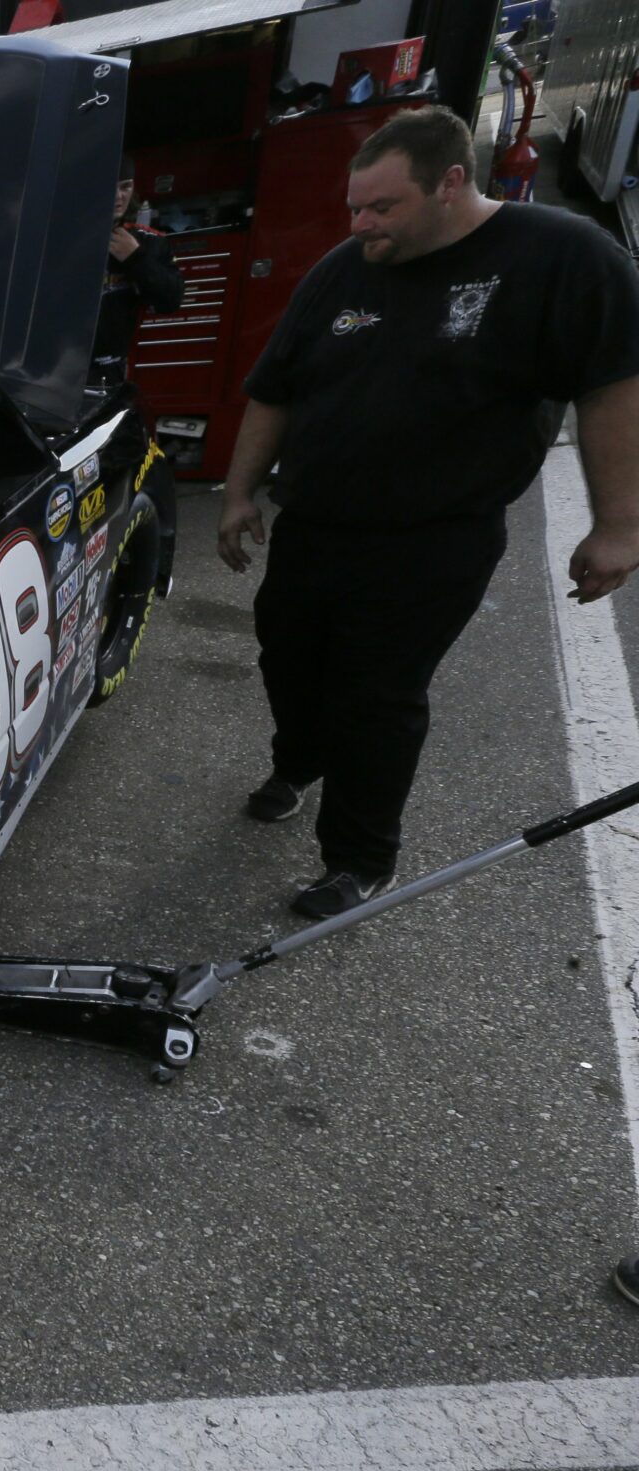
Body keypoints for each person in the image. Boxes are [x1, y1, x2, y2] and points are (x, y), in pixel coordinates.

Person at [215, 106, 639, 919]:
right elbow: (274, 390)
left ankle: (359, 858)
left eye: (382, 207)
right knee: (288, 657)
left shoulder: (560, 256)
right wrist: (239, 495)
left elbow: (613, 383)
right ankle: (298, 762)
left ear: (450, 184)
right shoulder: (344, 270)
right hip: (316, 523)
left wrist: (619, 524)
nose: (360, 225)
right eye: (354, 207)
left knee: (375, 695)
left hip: (434, 538)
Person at [92, 157, 184, 387]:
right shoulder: (62, 237)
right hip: (58, 367)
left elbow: (171, 301)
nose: (118, 196)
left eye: (125, 187)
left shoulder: (149, 241)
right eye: (110, 186)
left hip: (110, 370)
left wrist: (136, 258)